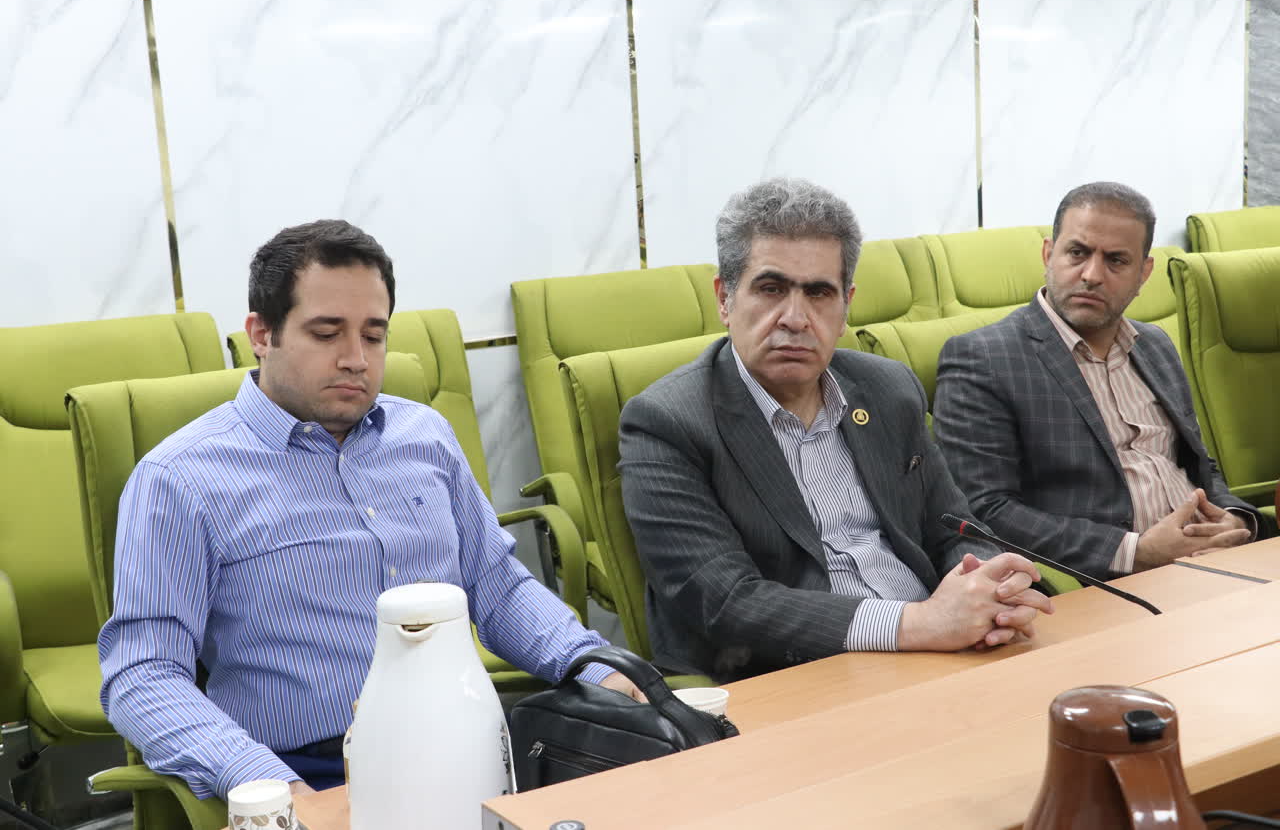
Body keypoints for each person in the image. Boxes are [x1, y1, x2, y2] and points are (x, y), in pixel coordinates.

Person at [98, 220, 640, 801]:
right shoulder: (180, 479)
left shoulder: (424, 434)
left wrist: (595, 665)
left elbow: (498, 589)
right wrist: (261, 780)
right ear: (262, 334)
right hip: (314, 772)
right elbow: (144, 674)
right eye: (327, 333)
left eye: (374, 336)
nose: (356, 359)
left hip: (474, 750)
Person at [617, 178, 1053, 683]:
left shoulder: (887, 389)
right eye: (771, 289)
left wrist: (989, 590)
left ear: (846, 305)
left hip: (943, 653)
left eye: (819, 293)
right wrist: (919, 624)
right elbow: (726, 601)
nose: (795, 319)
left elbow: (952, 526)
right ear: (724, 298)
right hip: (795, 678)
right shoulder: (666, 422)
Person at [933, 182, 1261, 581]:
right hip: (1113, 581)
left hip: (1216, 562)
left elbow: (1197, 464)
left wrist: (1235, 519)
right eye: (1077, 253)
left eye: (1116, 260)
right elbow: (984, 510)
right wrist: (1134, 552)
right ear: (1048, 254)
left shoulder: (1155, 344)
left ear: (1143, 273)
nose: (1091, 275)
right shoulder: (983, 357)